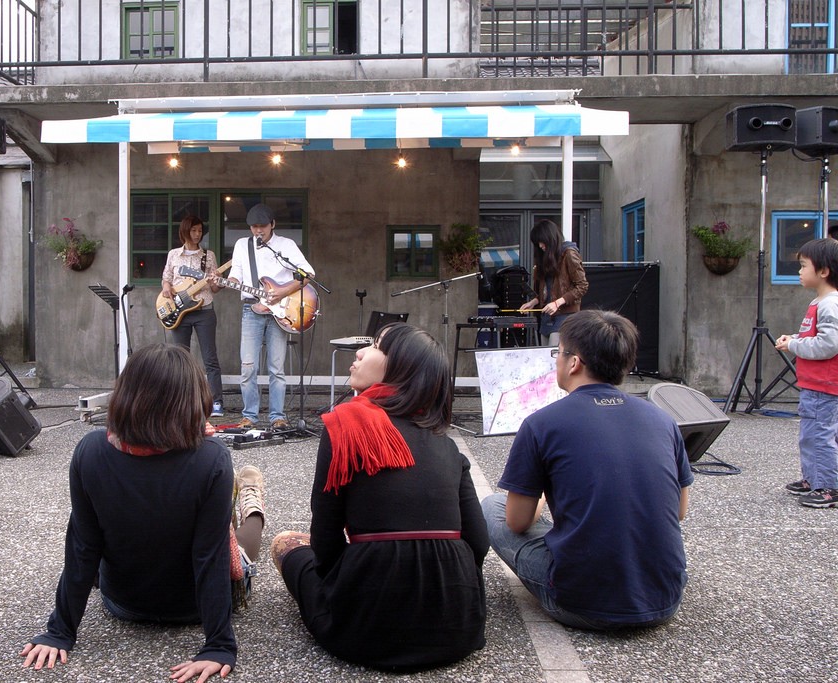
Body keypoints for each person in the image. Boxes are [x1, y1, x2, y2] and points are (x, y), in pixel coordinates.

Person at [19, 343, 267, 680]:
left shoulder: (90, 451)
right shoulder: (211, 457)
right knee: (242, 540)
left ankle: (244, 493)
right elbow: (210, 557)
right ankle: (252, 498)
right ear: (191, 401)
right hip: (192, 609)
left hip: (123, 604)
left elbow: (83, 546)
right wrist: (218, 645)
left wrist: (59, 631)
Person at [270, 323, 489, 671]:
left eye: (376, 346)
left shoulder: (346, 426)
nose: (360, 352)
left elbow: (325, 539)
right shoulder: (448, 446)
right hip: (457, 628)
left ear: (401, 367)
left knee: (287, 544)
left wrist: (339, 586)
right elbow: (478, 543)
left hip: (365, 630)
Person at [481, 310, 692, 630]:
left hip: (580, 603)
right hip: (666, 598)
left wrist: (541, 496)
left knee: (492, 506)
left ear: (574, 363)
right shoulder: (663, 420)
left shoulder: (541, 423)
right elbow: (678, 510)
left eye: (558, 353)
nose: (556, 361)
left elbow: (516, 521)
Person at [227, 203, 314, 430]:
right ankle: (250, 416)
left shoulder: (286, 245)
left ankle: (277, 416)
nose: (258, 231)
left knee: (276, 367)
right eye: (254, 227)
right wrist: (229, 281)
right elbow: (236, 273)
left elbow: (308, 273)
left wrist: (283, 292)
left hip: (280, 311)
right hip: (251, 309)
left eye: (263, 226)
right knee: (248, 366)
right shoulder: (242, 245)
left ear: (272, 224)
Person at [775, 238, 838, 508]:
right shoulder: (819, 302)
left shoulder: (829, 304)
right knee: (810, 435)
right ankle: (813, 479)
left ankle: (829, 487)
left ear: (823, 271)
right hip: (814, 385)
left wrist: (794, 345)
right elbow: (815, 336)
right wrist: (795, 338)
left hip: (825, 386)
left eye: (803, 266)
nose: (799, 271)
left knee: (820, 436)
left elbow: (829, 344)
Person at [161, 214, 225, 417]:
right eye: (193, 230)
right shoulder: (174, 254)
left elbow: (215, 289)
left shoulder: (208, 256)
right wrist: (166, 288)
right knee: (180, 358)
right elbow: (166, 278)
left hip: (204, 311)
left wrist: (217, 282)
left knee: (210, 358)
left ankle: (216, 401)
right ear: (185, 231)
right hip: (179, 311)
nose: (197, 234)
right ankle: (180, 401)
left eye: (200, 230)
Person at [518, 219, 588, 345]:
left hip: (564, 316)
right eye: (537, 243)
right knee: (545, 355)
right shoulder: (546, 257)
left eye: (541, 241)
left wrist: (557, 303)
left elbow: (582, 286)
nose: (540, 246)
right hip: (547, 317)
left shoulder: (569, 254)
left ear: (550, 238)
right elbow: (549, 290)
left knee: (554, 353)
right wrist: (534, 302)